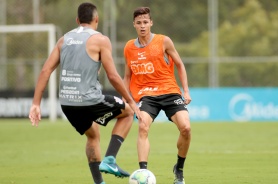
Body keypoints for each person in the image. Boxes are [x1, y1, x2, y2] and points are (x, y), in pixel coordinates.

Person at [29, 2, 143, 184]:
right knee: (128, 112)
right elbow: (113, 76)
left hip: (67, 104)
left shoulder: (64, 39)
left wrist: (36, 104)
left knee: (93, 135)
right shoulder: (101, 39)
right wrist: (130, 100)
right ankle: (110, 159)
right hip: (89, 99)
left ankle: (99, 182)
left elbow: (45, 71)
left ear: (77, 20)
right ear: (96, 19)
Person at [123, 7, 192, 184]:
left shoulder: (163, 41)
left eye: (145, 22)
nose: (142, 26)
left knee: (186, 128)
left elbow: (180, 65)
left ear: (151, 23)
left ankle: (179, 169)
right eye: (139, 23)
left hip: (170, 91)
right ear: (134, 25)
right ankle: (143, 174)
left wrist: (185, 90)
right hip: (147, 95)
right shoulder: (129, 47)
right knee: (143, 126)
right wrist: (126, 97)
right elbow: (127, 75)